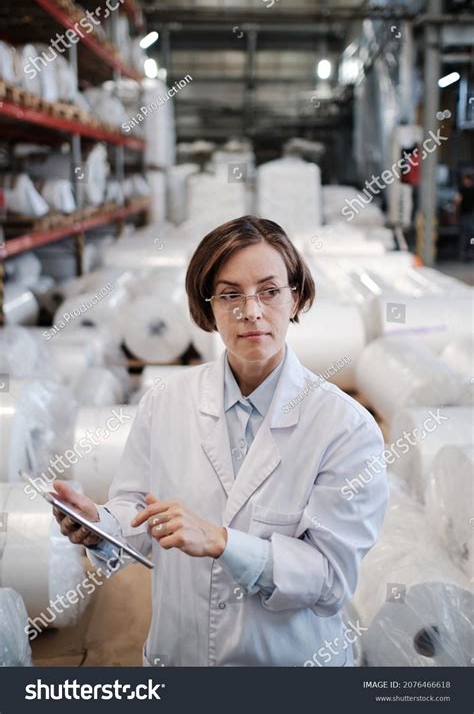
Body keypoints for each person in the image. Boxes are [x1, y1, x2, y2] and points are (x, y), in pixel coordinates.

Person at [53, 215, 388, 667]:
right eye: (230, 294)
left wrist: (223, 542)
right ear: (206, 308)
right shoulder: (166, 402)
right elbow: (136, 507)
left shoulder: (344, 428)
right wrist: (99, 525)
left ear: (296, 297)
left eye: (269, 291)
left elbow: (329, 580)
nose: (251, 311)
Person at [453, 169, 474, 260]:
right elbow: (457, 201)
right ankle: (466, 251)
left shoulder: (462, 188)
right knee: (466, 234)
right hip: (465, 214)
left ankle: (466, 251)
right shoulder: (463, 188)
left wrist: (455, 211)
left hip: (468, 214)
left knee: (466, 234)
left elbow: (457, 201)